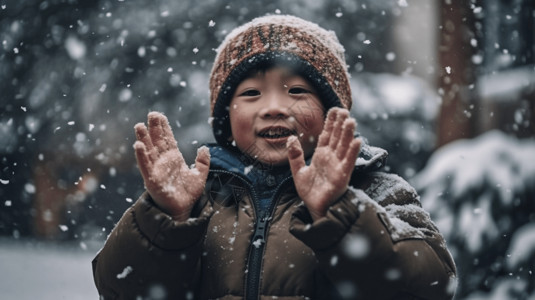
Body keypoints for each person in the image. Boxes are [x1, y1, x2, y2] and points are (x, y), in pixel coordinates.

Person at [92, 15, 457, 300]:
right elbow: (121, 289)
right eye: (251, 93)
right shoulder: (196, 198)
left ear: (334, 112)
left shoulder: (378, 190)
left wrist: (340, 212)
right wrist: (165, 220)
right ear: (226, 118)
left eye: (297, 90)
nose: (274, 107)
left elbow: (431, 286)